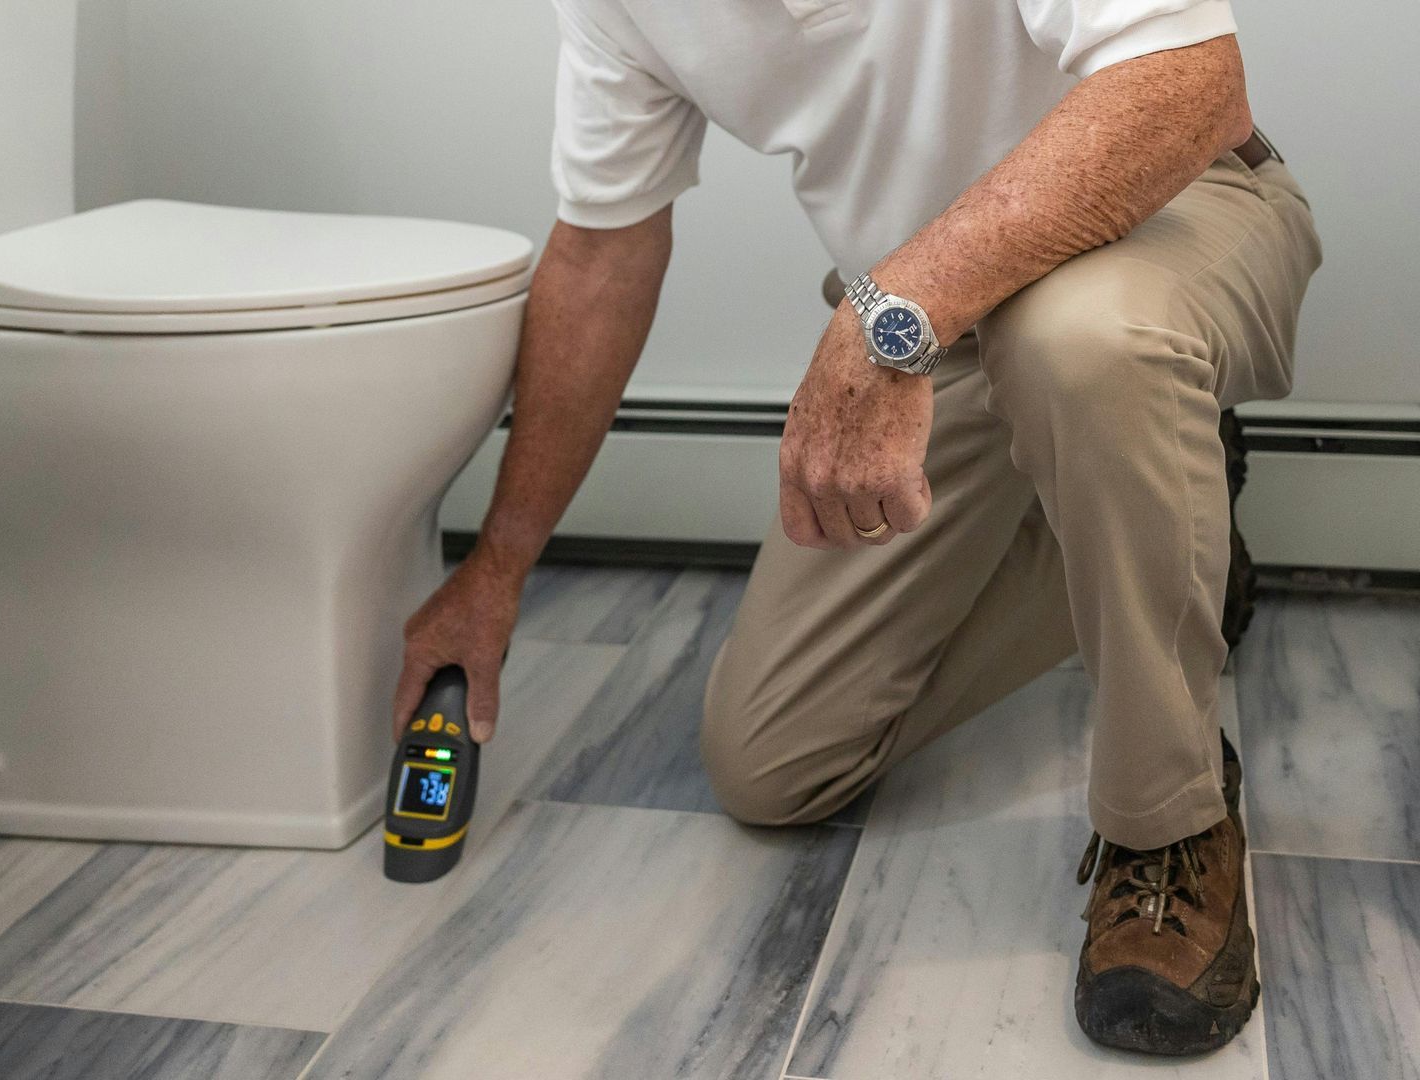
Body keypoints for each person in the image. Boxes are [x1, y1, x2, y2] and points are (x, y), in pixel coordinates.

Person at [391, 0, 1321, 1056]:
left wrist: (894, 309)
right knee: (773, 762)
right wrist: (497, 567)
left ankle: (1174, 821)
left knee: (1080, 344)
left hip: (1164, 214)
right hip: (940, 308)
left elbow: (1192, 84)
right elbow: (603, 251)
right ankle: (1171, 508)